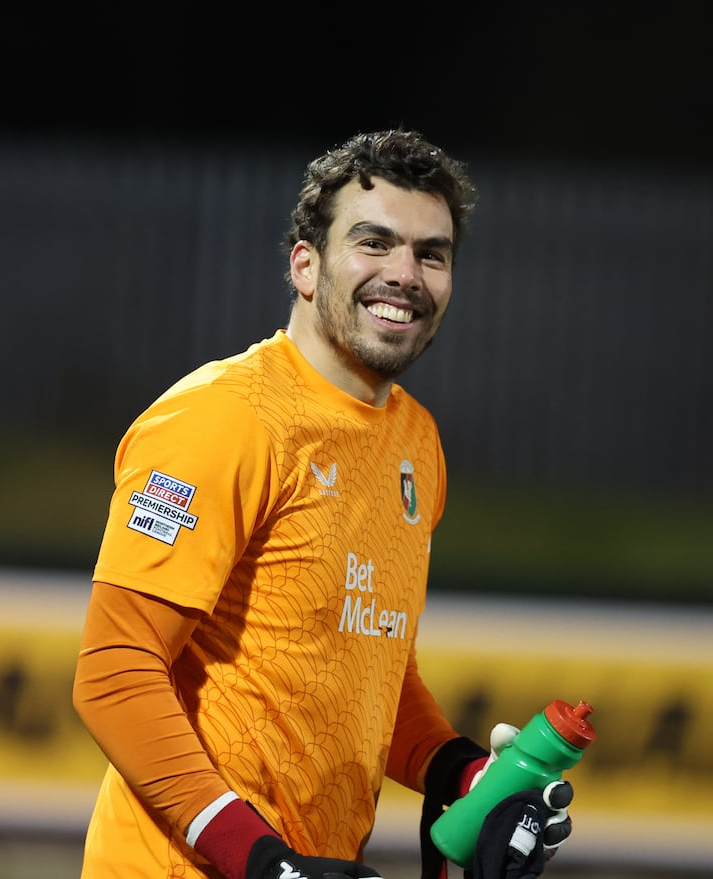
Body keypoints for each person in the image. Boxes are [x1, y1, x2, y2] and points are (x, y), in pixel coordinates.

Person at [73, 128, 574, 879]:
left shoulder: (416, 441)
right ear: (304, 266)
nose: (405, 274)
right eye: (374, 243)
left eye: (431, 254)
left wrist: (464, 777)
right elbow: (115, 671)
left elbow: (368, 674)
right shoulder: (223, 418)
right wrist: (262, 861)